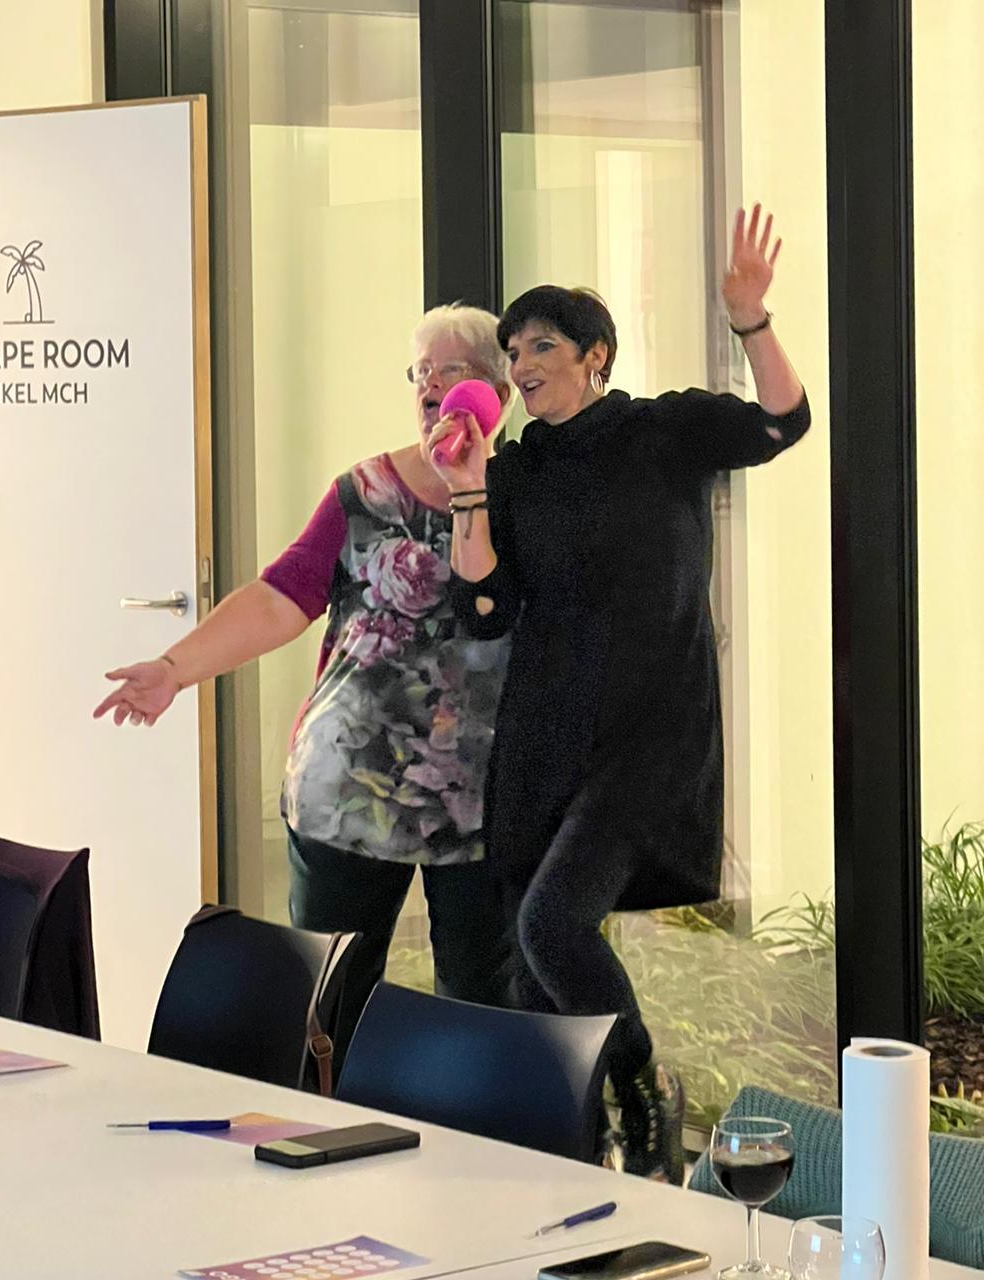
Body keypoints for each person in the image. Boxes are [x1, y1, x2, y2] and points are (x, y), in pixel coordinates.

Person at [433, 206, 811, 1184]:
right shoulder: (514, 470)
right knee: (532, 974)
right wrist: (469, 486)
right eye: (514, 350)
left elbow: (783, 421)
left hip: (651, 737)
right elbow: (483, 609)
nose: (521, 364)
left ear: (594, 355)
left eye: (542, 345)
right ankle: (568, 1163)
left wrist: (751, 319)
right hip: (544, 735)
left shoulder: (663, 431)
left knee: (551, 925)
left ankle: (644, 1092)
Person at [94, 305, 517, 1065]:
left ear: (497, 393)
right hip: (348, 783)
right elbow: (281, 595)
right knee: (330, 1010)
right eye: (420, 372)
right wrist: (175, 669)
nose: (431, 387)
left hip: (483, 796)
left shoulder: (527, 499)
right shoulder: (364, 492)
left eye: (451, 371)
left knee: (480, 1008)